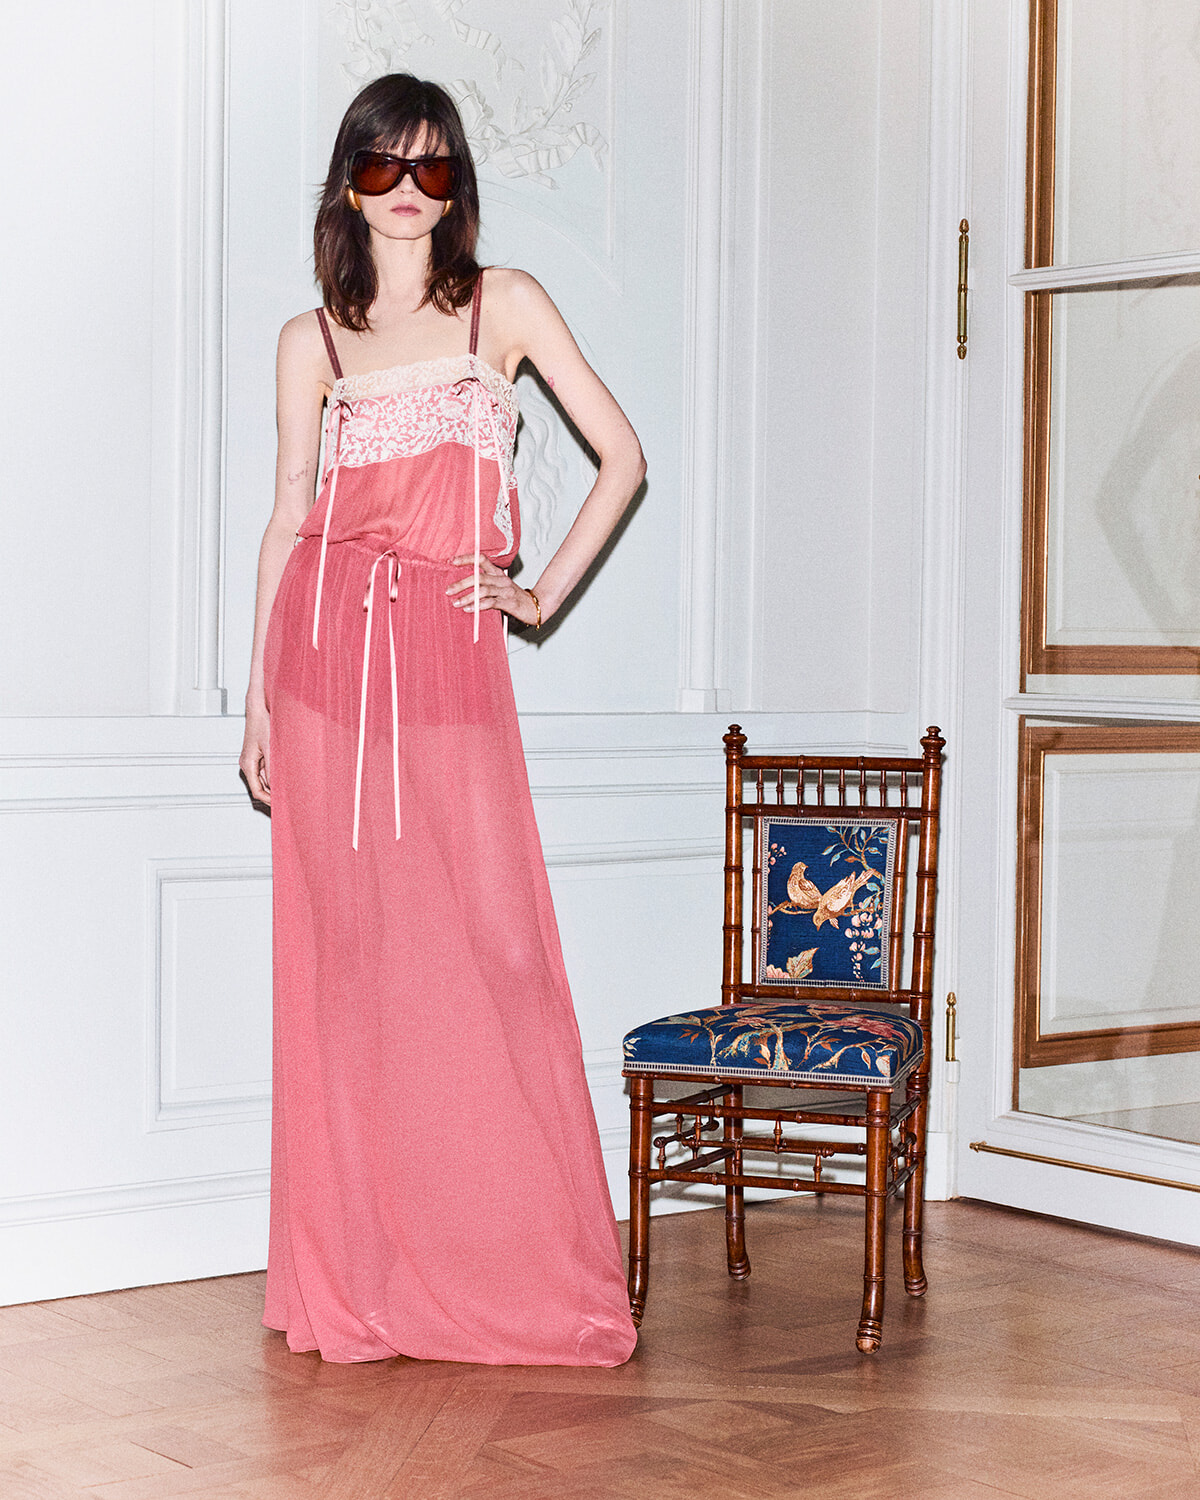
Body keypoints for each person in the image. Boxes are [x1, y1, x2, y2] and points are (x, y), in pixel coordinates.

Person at [238, 73, 644, 1366]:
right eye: (381, 170)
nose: (407, 195)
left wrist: (534, 595)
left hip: (446, 653)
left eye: (431, 171)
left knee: (498, 953)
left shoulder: (502, 306)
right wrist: (254, 695)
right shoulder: (314, 339)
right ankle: (360, 1278)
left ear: (458, 185)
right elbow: (292, 512)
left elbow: (623, 457)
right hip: (320, 667)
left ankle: (522, 1267)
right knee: (348, 976)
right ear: (346, 180)